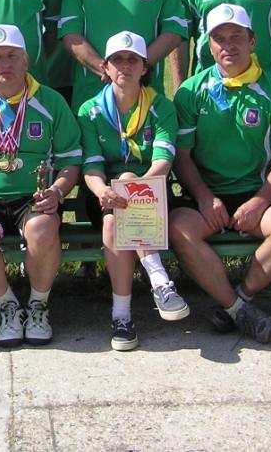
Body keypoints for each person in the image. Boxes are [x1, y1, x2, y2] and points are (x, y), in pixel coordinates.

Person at [170, 4, 271, 343]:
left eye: (236, 37)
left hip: (257, 193)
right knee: (177, 228)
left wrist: (259, 202)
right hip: (206, 198)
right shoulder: (190, 91)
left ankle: (239, 299)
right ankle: (238, 310)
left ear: (252, 41)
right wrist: (204, 198)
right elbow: (181, 156)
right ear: (208, 44)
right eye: (219, 39)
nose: (228, 46)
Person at [0, 25, 81, 347]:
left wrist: (57, 191)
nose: (4, 64)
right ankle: (7, 304)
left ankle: (38, 305)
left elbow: (71, 160)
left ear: (26, 60)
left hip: (33, 198)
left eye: (12, 56)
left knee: (42, 229)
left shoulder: (51, 102)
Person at [78, 31, 187, 351]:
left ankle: (121, 317)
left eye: (132, 60)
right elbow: (92, 167)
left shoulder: (161, 106)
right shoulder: (90, 110)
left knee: (116, 217)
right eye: (117, 60)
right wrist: (103, 191)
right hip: (102, 196)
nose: (124, 65)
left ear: (144, 67)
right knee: (115, 210)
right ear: (106, 67)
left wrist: (135, 190)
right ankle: (160, 281)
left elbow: (162, 163)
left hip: (153, 193)